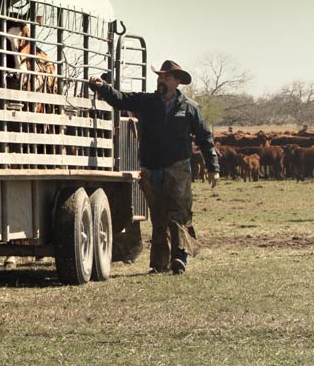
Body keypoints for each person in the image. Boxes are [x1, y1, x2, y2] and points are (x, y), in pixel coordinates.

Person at [90, 60, 219, 275]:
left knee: (178, 214)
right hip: (151, 168)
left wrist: (212, 166)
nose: (161, 80)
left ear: (177, 81)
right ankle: (159, 263)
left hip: (178, 167)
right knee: (158, 216)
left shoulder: (190, 108)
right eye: (160, 76)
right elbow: (121, 99)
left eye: (167, 77)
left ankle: (180, 257)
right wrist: (102, 87)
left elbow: (205, 138)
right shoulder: (147, 102)